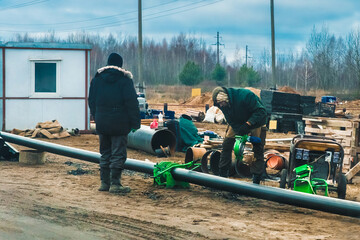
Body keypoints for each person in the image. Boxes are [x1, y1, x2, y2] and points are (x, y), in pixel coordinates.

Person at [89, 53, 140, 193]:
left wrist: (96, 115)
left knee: (105, 152)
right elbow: (132, 103)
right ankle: (115, 184)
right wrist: (135, 123)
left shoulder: (97, 79)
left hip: (102, 122)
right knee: (118, 153)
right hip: (119, 123)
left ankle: (104, 183)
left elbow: (91, 100)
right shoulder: (124, 80)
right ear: (120, 65)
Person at [212, 87, 267, 184]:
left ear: (226, 99)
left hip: (255, 121)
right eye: (219, 104)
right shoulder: (223, 106)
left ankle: (256, 177)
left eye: (221, 103)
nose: (220, 106)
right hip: (238, 123)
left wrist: (248, 124)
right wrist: (239, 130)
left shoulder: (245, 96)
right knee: (227, 144)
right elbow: (230, 120)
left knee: (258, 148)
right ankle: (223, 173)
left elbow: (261, 112)